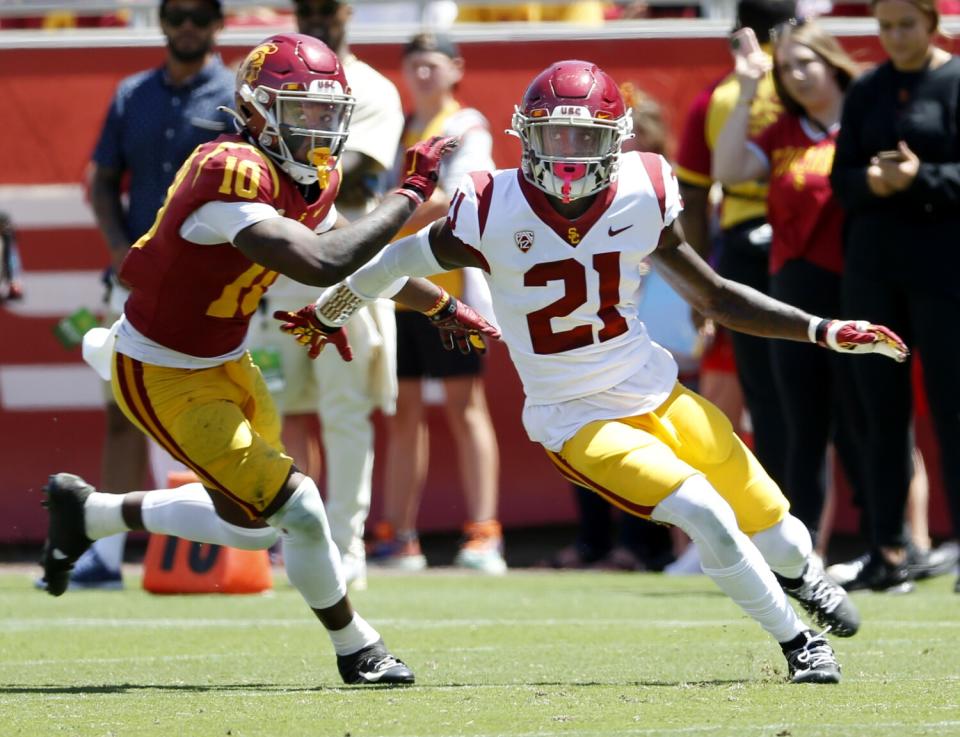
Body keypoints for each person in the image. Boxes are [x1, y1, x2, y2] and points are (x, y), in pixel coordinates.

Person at [278, 60, 914, 684]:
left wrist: (821, 329)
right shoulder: (491, 204)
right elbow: (393, 262)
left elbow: (715, 296)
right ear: (526, 136)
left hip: (656, 390)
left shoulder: (645, 189)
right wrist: (335, 307)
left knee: (774, 526)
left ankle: (805, 578)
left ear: (617, 140)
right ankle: (799, 642)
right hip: (575, 416)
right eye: (555, 135)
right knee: (704, 510)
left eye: (585, 136)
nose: (568, 154)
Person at [37, 33, 499, 687]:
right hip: (163, 370)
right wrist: (409, 192)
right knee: (301, 507)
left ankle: (88, 514)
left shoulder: (309, 176)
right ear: (254, 112)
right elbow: (320, 263)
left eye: (326, 114)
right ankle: (357, 647)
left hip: (227, 358)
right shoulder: (229, 170)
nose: (316, 129)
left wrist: (438, 306)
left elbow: (350, 249)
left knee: (253, 528)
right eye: (299, 111)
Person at [70, 0, 236, 590]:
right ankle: (107, 555)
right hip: (137, 277)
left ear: (219, 22)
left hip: (211, 284)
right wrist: (120, 251)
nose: (187, 26)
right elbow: (101, 181)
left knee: (215, 411)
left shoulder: (240, 98)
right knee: (120, 410)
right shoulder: (131, 94)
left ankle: (229, 545)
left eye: (199, 15)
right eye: (176, 14)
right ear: (161, 21)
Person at [246, 0, 406, 590]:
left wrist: (280, 162)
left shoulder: (372, 87)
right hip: (280, 261)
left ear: (348, 12)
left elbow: (357, 170)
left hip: (347, 261)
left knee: (344, 412)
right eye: (307, 7)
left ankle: (345, 546)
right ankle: (275, 539)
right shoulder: (268, 71)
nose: (317, 18)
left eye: (327, 8)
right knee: (272, 407)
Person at [711, 19, 868, 553]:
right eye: (787, 68)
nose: (797, 75)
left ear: (833, 62)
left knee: (871, 421)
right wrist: (749, 87)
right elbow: (729, 170)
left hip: (863, 291)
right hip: (795, 296)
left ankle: (893, 544)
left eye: (807, 63)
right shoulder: (782, 133)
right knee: (803, 426)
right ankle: (808, 552)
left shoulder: (867, 121)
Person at [829, 0, 960, 593]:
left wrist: (922, 179)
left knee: (954, 410)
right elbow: (841, 179)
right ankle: (887, 550)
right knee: (879, 415)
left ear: (933, 25)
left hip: (943, 271)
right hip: (873, 270)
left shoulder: (954, 80)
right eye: (884, 25)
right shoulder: (867, 89)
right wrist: (873, 182)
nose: (895, 36)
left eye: (906, 24)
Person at [369, 32, 505, 574]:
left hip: (449, 291)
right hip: (397, 290)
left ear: (455, 69)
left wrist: (377, 221)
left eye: (433, 64)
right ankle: (399, 536)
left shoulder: (465, 125)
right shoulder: (401, 126)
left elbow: (455, 195)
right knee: (401, 412)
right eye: (415, 64)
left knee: (464, 406)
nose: (423, 74)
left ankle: (485, 533)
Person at [675, 0, 797, 491]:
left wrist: (697, 285)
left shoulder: (719, 95)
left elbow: (694, 197)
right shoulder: (815, 82)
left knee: (765, 397)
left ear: (737, 32)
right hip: (817, 245)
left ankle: (789, 527)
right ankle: (895, 540)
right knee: (834, 396)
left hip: (745, 246)